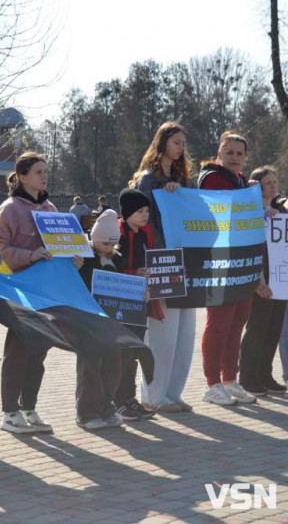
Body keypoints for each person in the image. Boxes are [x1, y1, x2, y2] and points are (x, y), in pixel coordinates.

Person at [0, 152, 83, 434]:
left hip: (48, 294)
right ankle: (9, 413)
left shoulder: (52, 208)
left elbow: (63, 247)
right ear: (21, 177)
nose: (44, 176)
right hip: (21, 292)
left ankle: (29, 407)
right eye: (38, 172)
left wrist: (74, 259)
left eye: (45, 171)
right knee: (17, 352)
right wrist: (31, 254)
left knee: (39, 353)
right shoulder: (9, 209)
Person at [132, 121, 196, 413]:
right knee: (162, 333)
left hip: (188, 262)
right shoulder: (148, 179)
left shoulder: (186, 179)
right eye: (176, 142)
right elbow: (143, 221)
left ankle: (173, 392)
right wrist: (165, 197)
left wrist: (181, 194)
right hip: (161, 261)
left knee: (185, 332)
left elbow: (198, 213)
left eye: (184, 143)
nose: (181, 147)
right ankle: (154, 395)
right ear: (163, 143)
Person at [196, 131, 257, 406]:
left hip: (242, 262)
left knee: (237, 323)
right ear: (220, 153)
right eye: (229, 152)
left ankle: (231, 379)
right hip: (218, 261)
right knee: (219, 323)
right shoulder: (212, 178)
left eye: (239, 153)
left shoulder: (242, 181)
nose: (234, 157)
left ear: (245, 157)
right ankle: (212, 384)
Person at [239, 166, 288, 395]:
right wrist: (259, 282)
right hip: (261, 280)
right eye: (267, 183)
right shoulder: (250, 213)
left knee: (273, 330)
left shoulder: (282, 211)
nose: (273, 186)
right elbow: (250, 248)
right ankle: (249, 379)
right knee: (257, 329)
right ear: (257, 187)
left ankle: (266, 376)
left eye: (274, 182)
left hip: (281, 280)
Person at [76, 209, 125, 430]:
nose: (109, 249)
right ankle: (87, 413)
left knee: (113, 366)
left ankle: (107, 407)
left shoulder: (118, 259)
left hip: (112, 323)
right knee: (90, 367)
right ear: (95, 239)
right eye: (105, 244)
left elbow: (126, 286)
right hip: (88, 321)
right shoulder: (84, 258)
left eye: (113, 245)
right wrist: (76, 267)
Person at [113, 189, 156, 421]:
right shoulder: (118, 235)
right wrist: (134, 273)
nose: (145, 215)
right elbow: (113, 269)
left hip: (141, 301)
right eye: (140, 211)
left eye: (147, 211)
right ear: (127, 212)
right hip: (122, 304)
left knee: (134, 353)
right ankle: (119, 401)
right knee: (123, 354)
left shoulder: (142, 235)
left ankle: (129, 400)